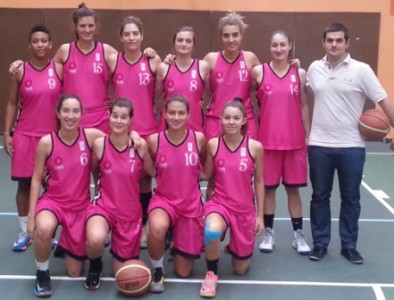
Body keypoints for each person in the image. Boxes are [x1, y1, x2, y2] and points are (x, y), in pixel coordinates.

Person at [306, 23, 394, 264]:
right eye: (330, 40)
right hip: (319, 145)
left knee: (351, 198)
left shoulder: (362, 70)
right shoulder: (314, 68)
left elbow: (384, 101)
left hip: (352, 146)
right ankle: (320, 244)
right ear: (324, 42)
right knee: (319, 197)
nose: (334, 44)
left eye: (339, 40)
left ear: (347, 43)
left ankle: (349, 246)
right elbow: (298, 91)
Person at [27, 94, 104, 297]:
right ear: (58, 113)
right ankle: (42, 273)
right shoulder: (46, 142)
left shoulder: (91, 136)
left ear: (81, 114)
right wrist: (30, 218)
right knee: (43, 229)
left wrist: (133, 137)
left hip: (80, 207)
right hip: (53, 203)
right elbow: (36, 180)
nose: (70, 116)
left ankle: (72, 247)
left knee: (74, 272)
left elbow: (118, 136)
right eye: (66, 111)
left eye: (75, 111)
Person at [84, 98, 155, 290]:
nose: (118, 120)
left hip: (130, 213)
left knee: (122, 275)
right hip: (105, 206)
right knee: (96, 238)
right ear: (109, 116)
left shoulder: (139, 145)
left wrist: (144, 151)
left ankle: (117, 253)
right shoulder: (99, 144)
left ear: (131, 120)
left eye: (124, 117)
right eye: (115, 115)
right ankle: (95, 265)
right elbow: (90, 170)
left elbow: (152, 172)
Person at [3, 25, 62, 252]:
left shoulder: (59, 70)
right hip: (25, 135)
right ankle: (24, 230)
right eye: (35, 41)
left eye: (44, 41)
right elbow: (11, 102)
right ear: (30, 45)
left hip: (51, 137)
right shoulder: (19, 71)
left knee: (52, 185)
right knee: (24, 184)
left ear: (50, 44)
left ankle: (48, 232)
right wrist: (7, 132)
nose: (40, 45)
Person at [252, 31, 311, 255]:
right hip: (267, 143)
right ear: (270, 47)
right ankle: (269, 233)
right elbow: (247, 99)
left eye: (283, 45)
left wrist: (307, 135)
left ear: (290, 46)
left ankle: (298, 235)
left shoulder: (300, 73)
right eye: (275, 45)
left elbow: (304, 105)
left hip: (294, 142)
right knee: (268, 192)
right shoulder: (259, 72)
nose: (279, 49)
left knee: (293, 191)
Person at [199, 99, 264, 298]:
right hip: (220, 204)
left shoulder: (255, 147)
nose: (231, 122)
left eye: (236, 118)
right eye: (227, 118)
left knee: (240, 269)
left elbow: (260, 182)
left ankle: (234, 244)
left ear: (244, 120)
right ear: (220, 119)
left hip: (244, 210)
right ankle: (211, 274)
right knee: (211, 232)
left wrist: (260, 216)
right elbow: (207, 177)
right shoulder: (213, 144)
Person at [108, 16, 161, 248]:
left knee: (145, 180)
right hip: (120, 129)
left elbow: (161, 92)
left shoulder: (153, 61)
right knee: (117, 179)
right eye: (126, 34)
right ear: (121, 37)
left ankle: (143, 226)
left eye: (135, 34)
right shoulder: (112, 61)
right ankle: (114, 223)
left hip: (148, 128)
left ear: (142, 36)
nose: (131, 38)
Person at [146, 95, 206, 293]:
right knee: (156, 227)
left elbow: (205, 170)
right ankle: (158, 269)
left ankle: (175, 238)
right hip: (164, 201)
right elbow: (149, 171)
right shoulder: (154, 140)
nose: (176, 117)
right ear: (164, 114)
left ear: (189, 115)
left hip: (190, 205)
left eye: (181, 113)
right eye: (172, 112)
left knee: (184, 272)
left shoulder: (198, 139)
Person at [203, 12, 260, 141]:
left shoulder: (250, 58)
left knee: (246, 160)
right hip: (216, 120)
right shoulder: (210, 59)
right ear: (221, 37)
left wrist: (292, 66)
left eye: (235, 35)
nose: (231, 40)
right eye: (226, 35)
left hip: (245, 121)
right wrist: (171, 59)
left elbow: (270, 78)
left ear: (241, 36)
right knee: (214, 160)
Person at [156, 26, 210, 132]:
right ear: (174, 43)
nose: (184, 44)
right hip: (168, 126)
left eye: (188, 41)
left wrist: (205, 106)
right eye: (180, 40)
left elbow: (211, 93)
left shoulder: (203, 67)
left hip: (195, 124)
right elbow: (155, 96)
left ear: (194, 45)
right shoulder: (163, 67)